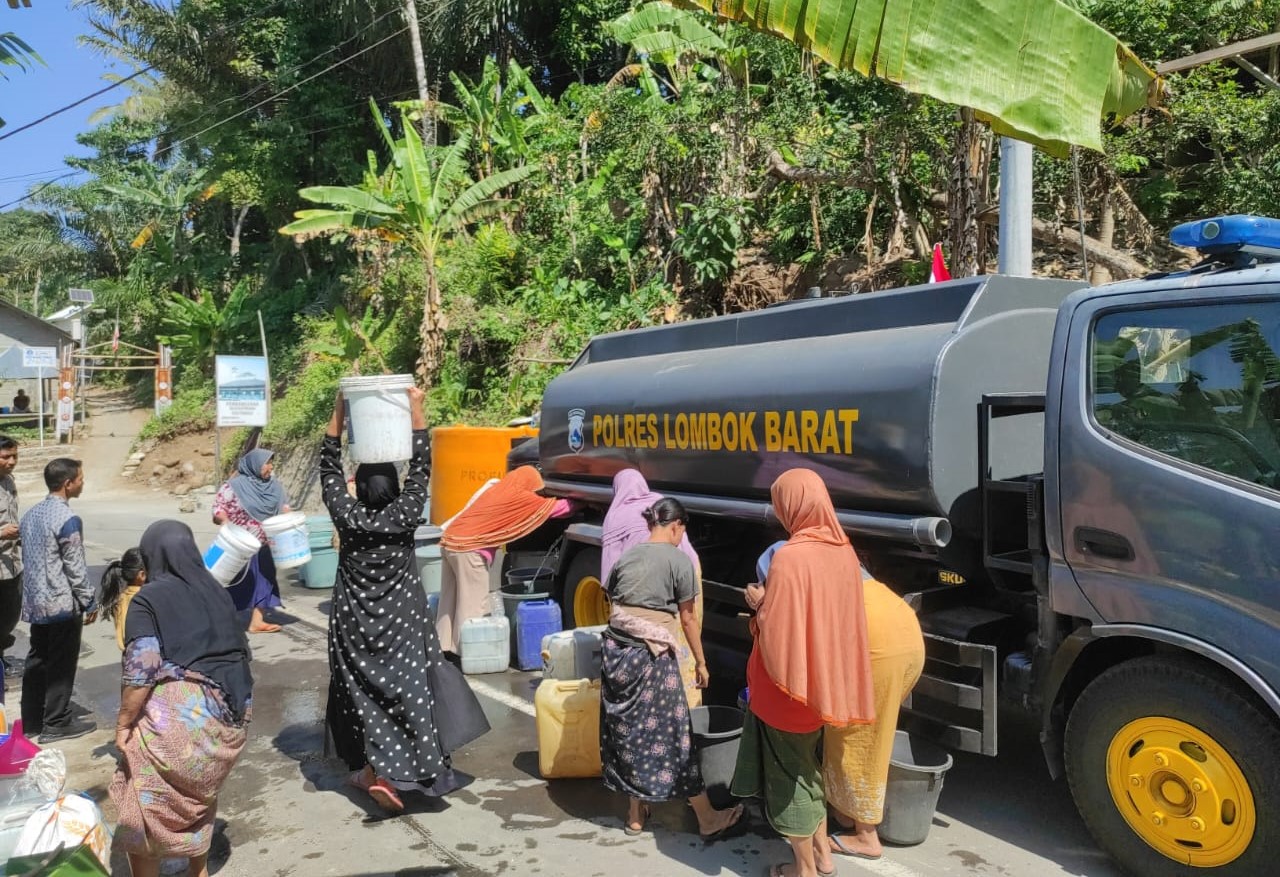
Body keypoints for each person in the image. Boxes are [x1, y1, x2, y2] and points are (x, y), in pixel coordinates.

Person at [322, 385, 481, 812]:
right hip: (402, 624)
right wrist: (416, 407)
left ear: (359, 490)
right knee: (409, 691)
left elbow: (328, 468)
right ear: (394, 488)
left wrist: (340, 410)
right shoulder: (406, 513)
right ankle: (408, 771)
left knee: (364, 695)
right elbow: (423, 465)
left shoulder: (347, 515)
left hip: (355, 624)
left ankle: (375, 771)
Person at [734, 468, 875, 877]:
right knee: (809, 769)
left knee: (790, 781)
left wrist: (759, 603)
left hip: (786, 689)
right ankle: (824, 857)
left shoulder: (790, 557)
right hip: (824, 685)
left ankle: (803, 870)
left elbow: (778, 633)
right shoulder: (845, 551)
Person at [109, 520, 253, 877]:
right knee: (196, 793)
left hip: (189, 722)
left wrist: (124, 725)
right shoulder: (217, 590)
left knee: (138, 792)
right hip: (232, 722)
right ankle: (197, 871)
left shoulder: (148, 598)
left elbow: (141, 671)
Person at [599, 496, 744, 839]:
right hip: (652, 660)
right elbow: (689, 619)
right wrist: (701, 662)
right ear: (677, 525)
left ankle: (635, 815)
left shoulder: (627, 556)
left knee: (628, 733)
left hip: (618, 656)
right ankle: (708, 818)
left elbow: (615, 603)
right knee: (675, 736)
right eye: (682, 530)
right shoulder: (679, 561)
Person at [823, 573, 926, 860]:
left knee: (854, 734)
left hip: (880, 647)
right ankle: (845, 814)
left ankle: (866, 836)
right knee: (866, 730)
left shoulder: (801, 573)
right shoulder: (840, 559)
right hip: (907, 635)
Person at [437, 466, 571, 661]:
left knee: (450, 599)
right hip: (469, 548)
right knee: (472, 603)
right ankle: (468, 653)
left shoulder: (497, 490)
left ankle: (442, 647)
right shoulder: (519, 497)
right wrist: (581, 501)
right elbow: (556, 509)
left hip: (449, 540)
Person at [601, 468, 704, 707]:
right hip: (688, 577)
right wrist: (702, 662)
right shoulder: (658, 502)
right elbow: (688, 618)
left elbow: (609, 578)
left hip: (646, 587)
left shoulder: (615, 515)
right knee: (685, 640)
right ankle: (690, 700)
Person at [18, 457, 97, 743]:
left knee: (38, 659)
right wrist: (89, 600)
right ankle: (56, 722)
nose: (82, 483)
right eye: (80, 479)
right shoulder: (67, 519)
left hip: (36, 602)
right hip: (62, 603)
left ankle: (32, 721)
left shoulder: (31, 515)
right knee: (62, 664)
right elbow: (74, 566)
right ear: (68, 484)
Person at [213, 448, 290, 633]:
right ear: (255, 465)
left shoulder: (274, 487)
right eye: (267, 463)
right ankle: (217, 619)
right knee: (227, 581)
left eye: (272, 463)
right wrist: (225, 522)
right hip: (235, 545)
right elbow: (218, 509)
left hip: (263, 545)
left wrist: (290, 521)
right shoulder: (234, 486)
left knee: (264, 581)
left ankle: (257, 622)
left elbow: (285, 508)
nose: (270, 467)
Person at [0, 436, 22, 677]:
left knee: (8, 618)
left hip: (12, 565)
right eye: (6, 456)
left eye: (14, 456)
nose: (12, 461)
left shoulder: (8, 482)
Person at [101, 548, 146, 651]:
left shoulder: (119, 597)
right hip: (144, 657)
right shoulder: (144, 598)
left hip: (128, 655)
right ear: (142, 575)